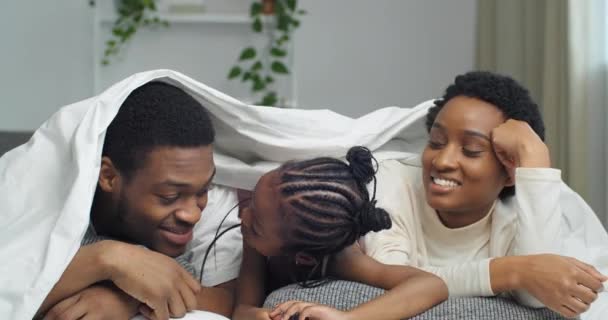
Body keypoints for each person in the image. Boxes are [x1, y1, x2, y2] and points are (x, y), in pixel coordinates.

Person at [361, 71, 608, 318]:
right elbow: (390, 276)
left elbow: (535, 295)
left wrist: (533, 156)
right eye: (436, 142)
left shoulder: (520, 217)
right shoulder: (390, 182)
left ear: (510, 174)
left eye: (471, 150)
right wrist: (510, 272)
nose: (443, 161)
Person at [36, 82, 240, 320]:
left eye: (204, 190)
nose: (193, 215)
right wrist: (106, 258)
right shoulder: (45, 206)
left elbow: (228, 300)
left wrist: (129, 296)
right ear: (109, 177)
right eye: (169, 197)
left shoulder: (215, 206)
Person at [233, 146, 449, 320]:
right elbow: (242, 309)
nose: (244, 215)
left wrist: (349, 317)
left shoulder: (344, 260)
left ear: (305, 257)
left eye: (256, 226)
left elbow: (431, 285)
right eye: (251, 202)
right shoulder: (258, 229)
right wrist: (257, 315)